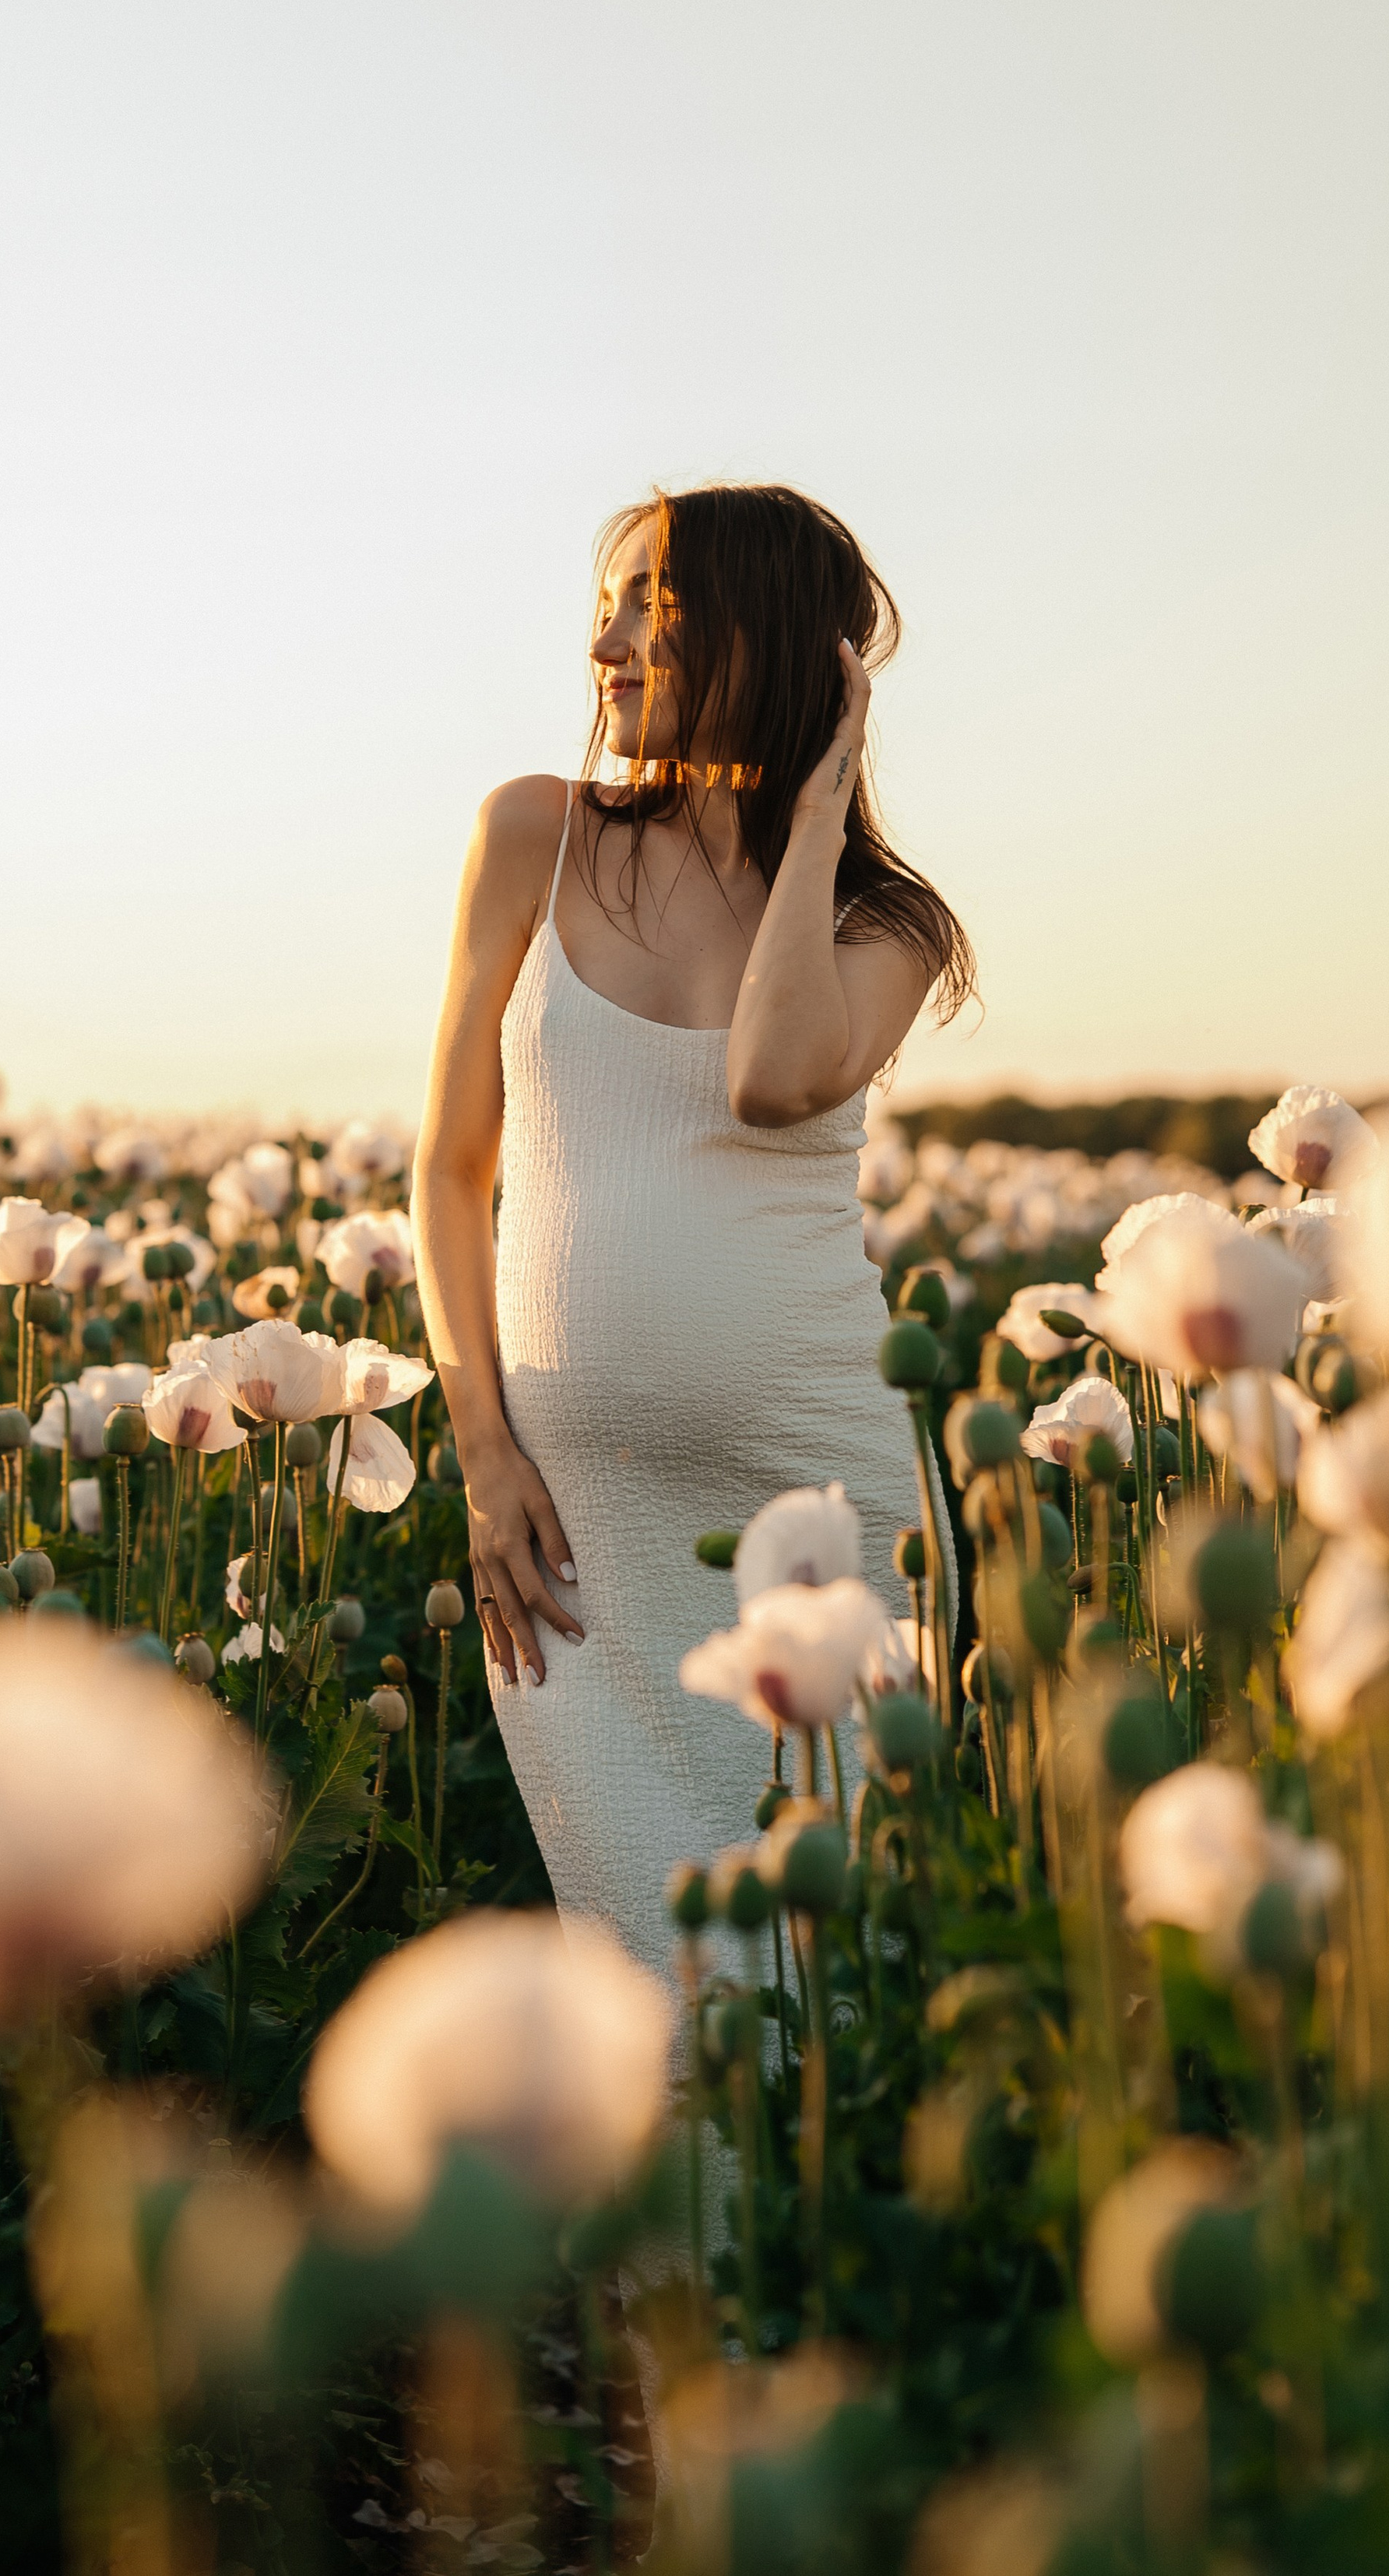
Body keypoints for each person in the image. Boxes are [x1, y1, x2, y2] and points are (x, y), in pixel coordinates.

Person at [412, 481, 975, 1990]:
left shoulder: (884, 922)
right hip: (572, 1538)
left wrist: (809, 810)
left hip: (814, 1509)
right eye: (609, 605)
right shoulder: (533, 835)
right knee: (645, 1985)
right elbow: (449, 1170)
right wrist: (480, 1442)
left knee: (822, 1982)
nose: (605, 641)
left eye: (650, 605)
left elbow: (769, 1071)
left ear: (766, 637)